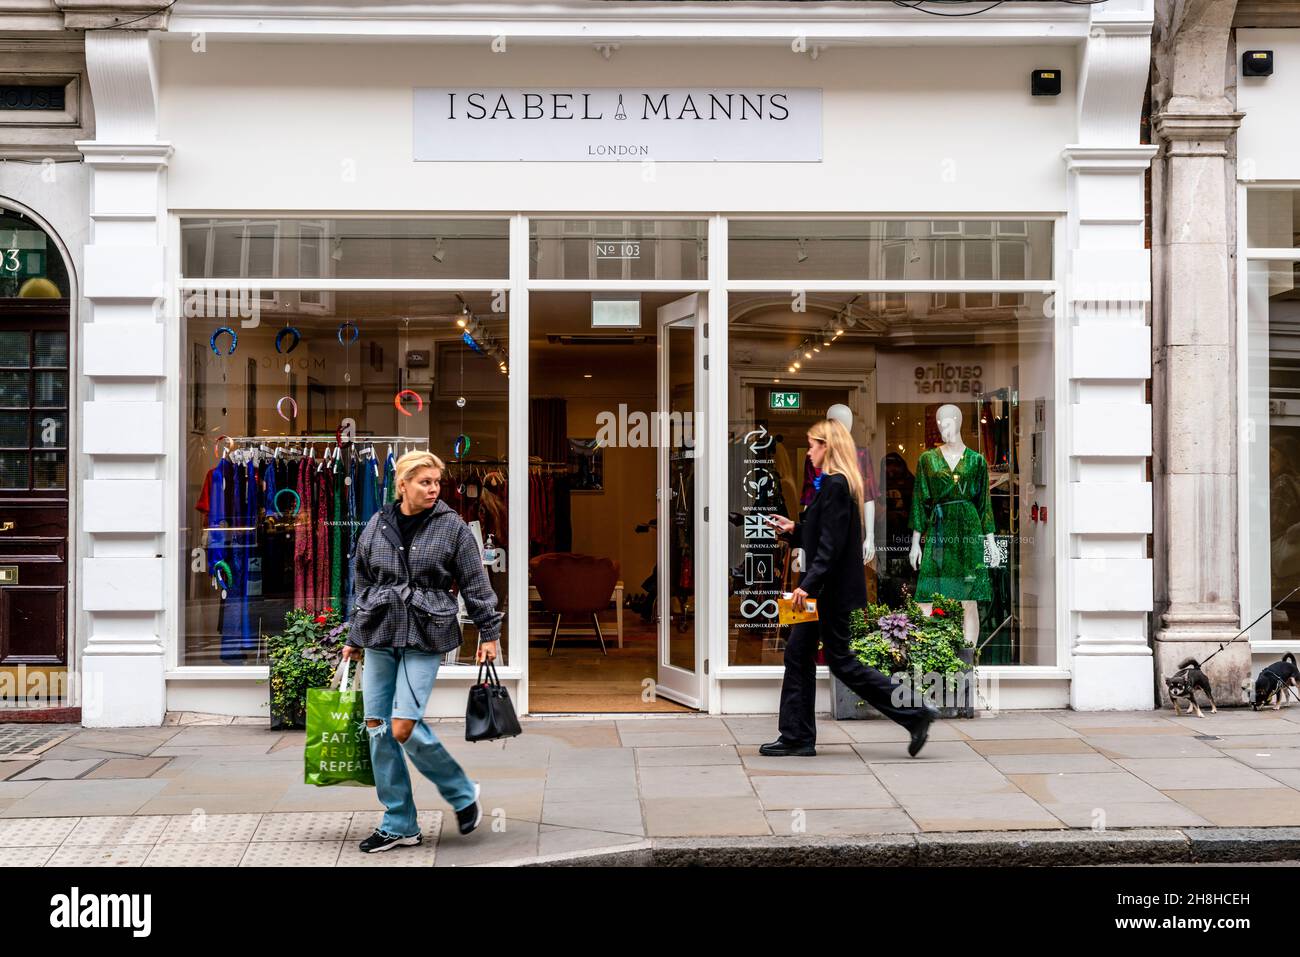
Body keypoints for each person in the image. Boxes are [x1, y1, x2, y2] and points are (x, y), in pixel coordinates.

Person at [341, 450, 502, 853]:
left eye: (436, 482)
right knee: (378, 729)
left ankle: (462, 791)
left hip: (426, 634)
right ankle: (399, 823)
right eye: (424, 482)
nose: (433, 489)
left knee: (403, 726)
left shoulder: (453, 528)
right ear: (403, 485)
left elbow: (474, 582)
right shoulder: (377, 525)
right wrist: (354, 637)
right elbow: (361, 583)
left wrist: (489, 632)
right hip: (379, 633)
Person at [762, 418, 938, 758]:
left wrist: (807, 586)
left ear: (828, 447)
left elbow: (831, 546)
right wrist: (794, 530)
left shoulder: (836, 485)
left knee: (834, 660)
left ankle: (914, 712)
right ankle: (798, 736)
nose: (809, 450)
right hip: (822, 589)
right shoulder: (830, 484)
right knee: (804, 655)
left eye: (814, 444)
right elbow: (823, 535)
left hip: (825, 591)